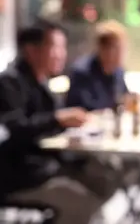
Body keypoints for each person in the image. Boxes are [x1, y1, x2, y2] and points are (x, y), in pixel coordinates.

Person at [0, 21, 115, 224]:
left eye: (63, 47)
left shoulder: (42, 81)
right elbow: (17, 129)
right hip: (22, 174)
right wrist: (58, 119)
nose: (61, 54)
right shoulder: (10, 82)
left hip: (50, 164)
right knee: (80, 203)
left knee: (105, 178)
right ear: (31, 50)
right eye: (55, 47)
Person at [66, 20, 129, 111]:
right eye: (118, 48)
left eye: (123, 48)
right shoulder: (82, 72)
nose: (122, 53)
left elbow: (123, 99)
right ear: (102, 49)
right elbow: (83, 109)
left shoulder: (118, 72)